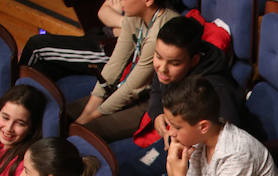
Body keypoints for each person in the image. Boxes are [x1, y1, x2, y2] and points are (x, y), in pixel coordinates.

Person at [111, 15, 245, 176]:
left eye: (173, 63)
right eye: (158, 57)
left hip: (198, 161)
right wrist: (159, 117)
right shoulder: (166, 72)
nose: (162, 68)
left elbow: (227, 140)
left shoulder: (215, 90)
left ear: (194, 60)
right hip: (174, 142)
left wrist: (184, 143)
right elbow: (157, 89)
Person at [21, 0, 178, 142]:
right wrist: (88, 110)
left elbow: (133, 88)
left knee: (82, 132)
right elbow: (115, 64)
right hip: (133, 86)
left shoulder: (163, 28)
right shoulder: (134, 16)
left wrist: (87, 118)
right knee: (57, 117)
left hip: (154, 99)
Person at [0, 86, 46, 176]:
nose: (9, 128)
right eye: (5, 117)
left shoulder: (25, 162)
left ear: (31, 128)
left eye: (20, 123)